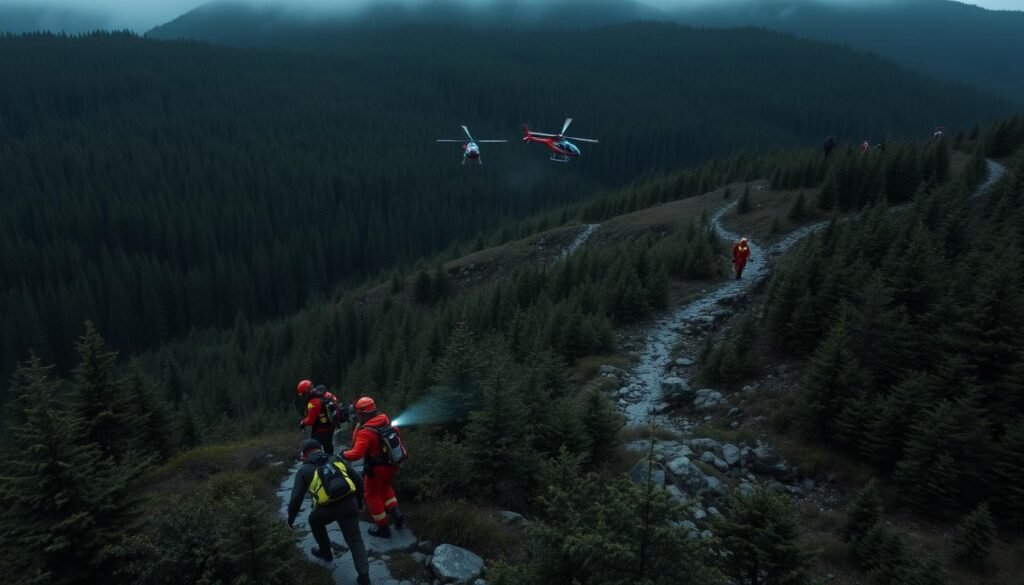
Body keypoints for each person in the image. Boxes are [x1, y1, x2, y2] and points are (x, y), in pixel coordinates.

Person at [288, 438, 371, 585]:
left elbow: (296, 498)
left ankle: (326, 553)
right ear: (320, 448)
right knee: (355, 539)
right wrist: (359, 503)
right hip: (349, 503)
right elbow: (357, 480)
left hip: (326, 509)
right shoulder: (335, 458)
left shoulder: (303, 470)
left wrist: (291, 519)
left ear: (305, 454)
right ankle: (364, 576)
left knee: (314, 521)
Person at [343, 396, 404, 538]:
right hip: (392, 464)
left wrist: (343, 453)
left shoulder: (366, 432)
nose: (357, 415)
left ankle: (383, 528)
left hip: (377, 469)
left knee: (371, 495)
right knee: (385, 488)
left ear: (363, 414)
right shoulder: (384, 419)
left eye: (358, 413)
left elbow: (356, 454)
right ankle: (397, 514)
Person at [298, 379, 337, 455]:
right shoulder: (325, 395)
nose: (303, 396)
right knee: (329, 449)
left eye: (303, 394)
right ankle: (331, 462)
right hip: (330, 428)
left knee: (314, 451)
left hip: (319, 431)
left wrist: (302, 422)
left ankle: (319, 464)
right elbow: (335, 401)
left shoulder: (313, 403)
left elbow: (310, 421)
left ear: (307, 391)